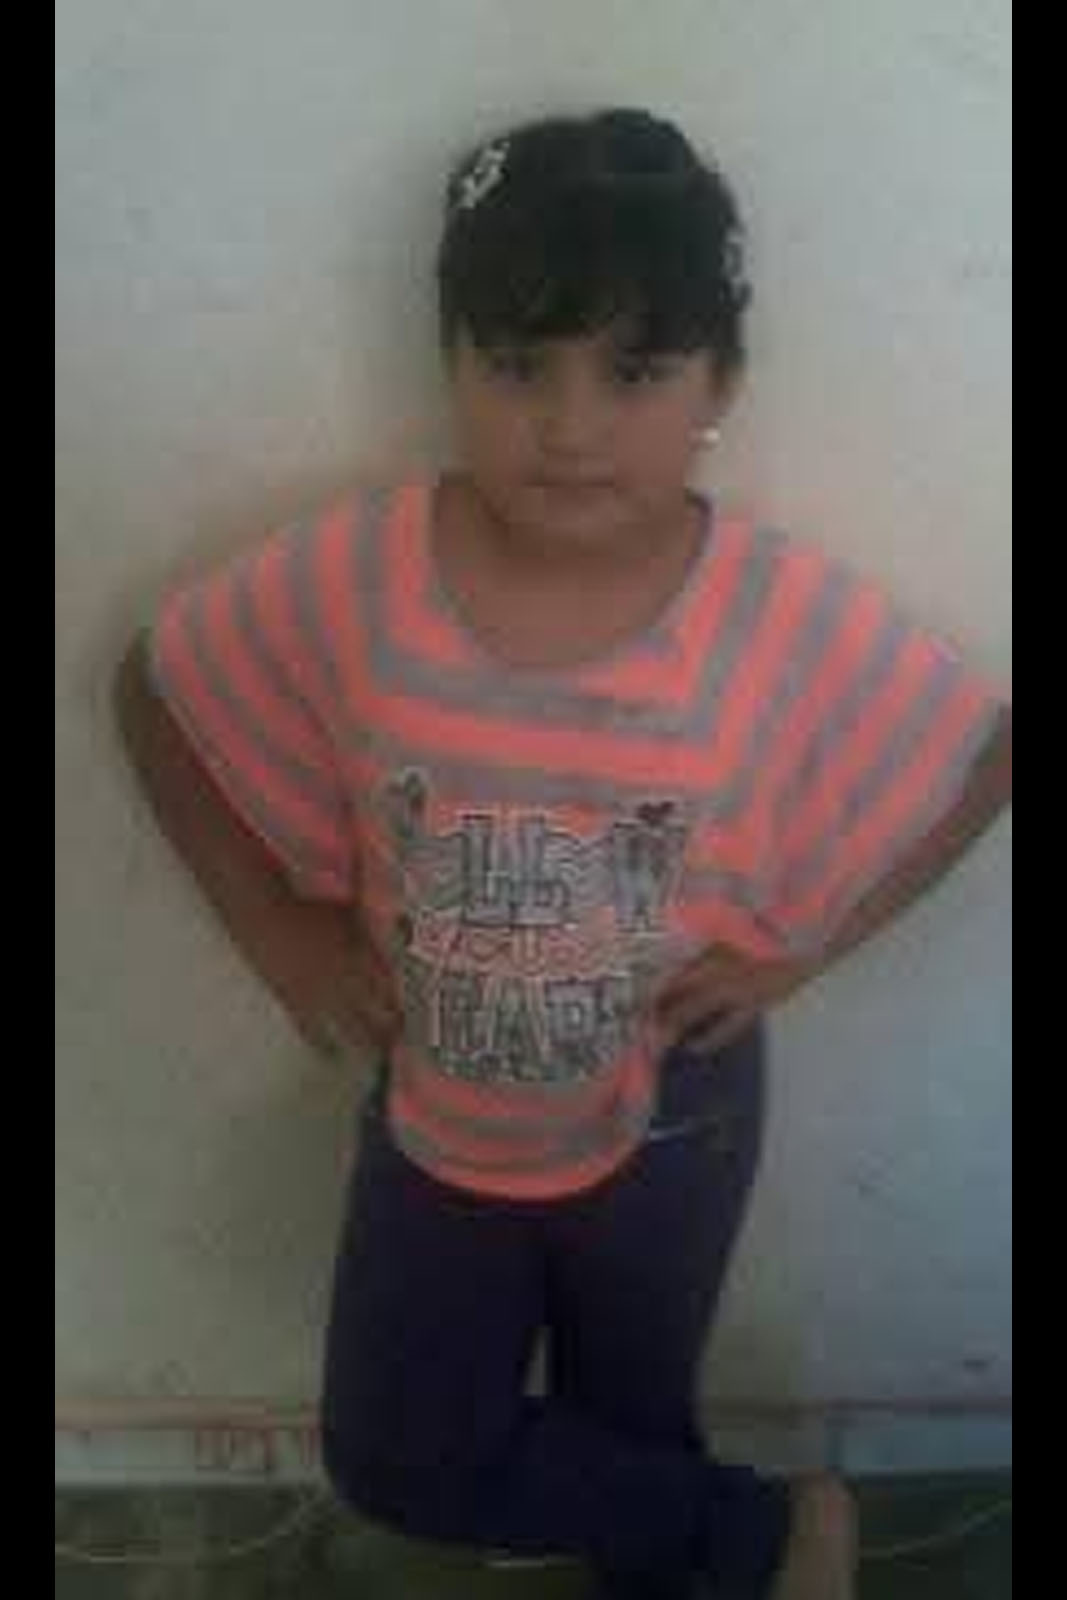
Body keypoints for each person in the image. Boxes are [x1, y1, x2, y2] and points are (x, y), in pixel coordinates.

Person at [115, 108, 1012, 1599]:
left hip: (671, 1117)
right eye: (520, 365)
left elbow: (978, 758)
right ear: (450, 362)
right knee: (400, 1450)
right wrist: (282, 934)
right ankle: (769, 1536)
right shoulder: (358, 574)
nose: (572, 426)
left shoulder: (772, 607)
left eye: (636, 371)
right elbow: (155, 690)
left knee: (628, 1430)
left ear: (721, 384)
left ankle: (690, 1558)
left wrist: (796, 951)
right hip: (437, 1115)